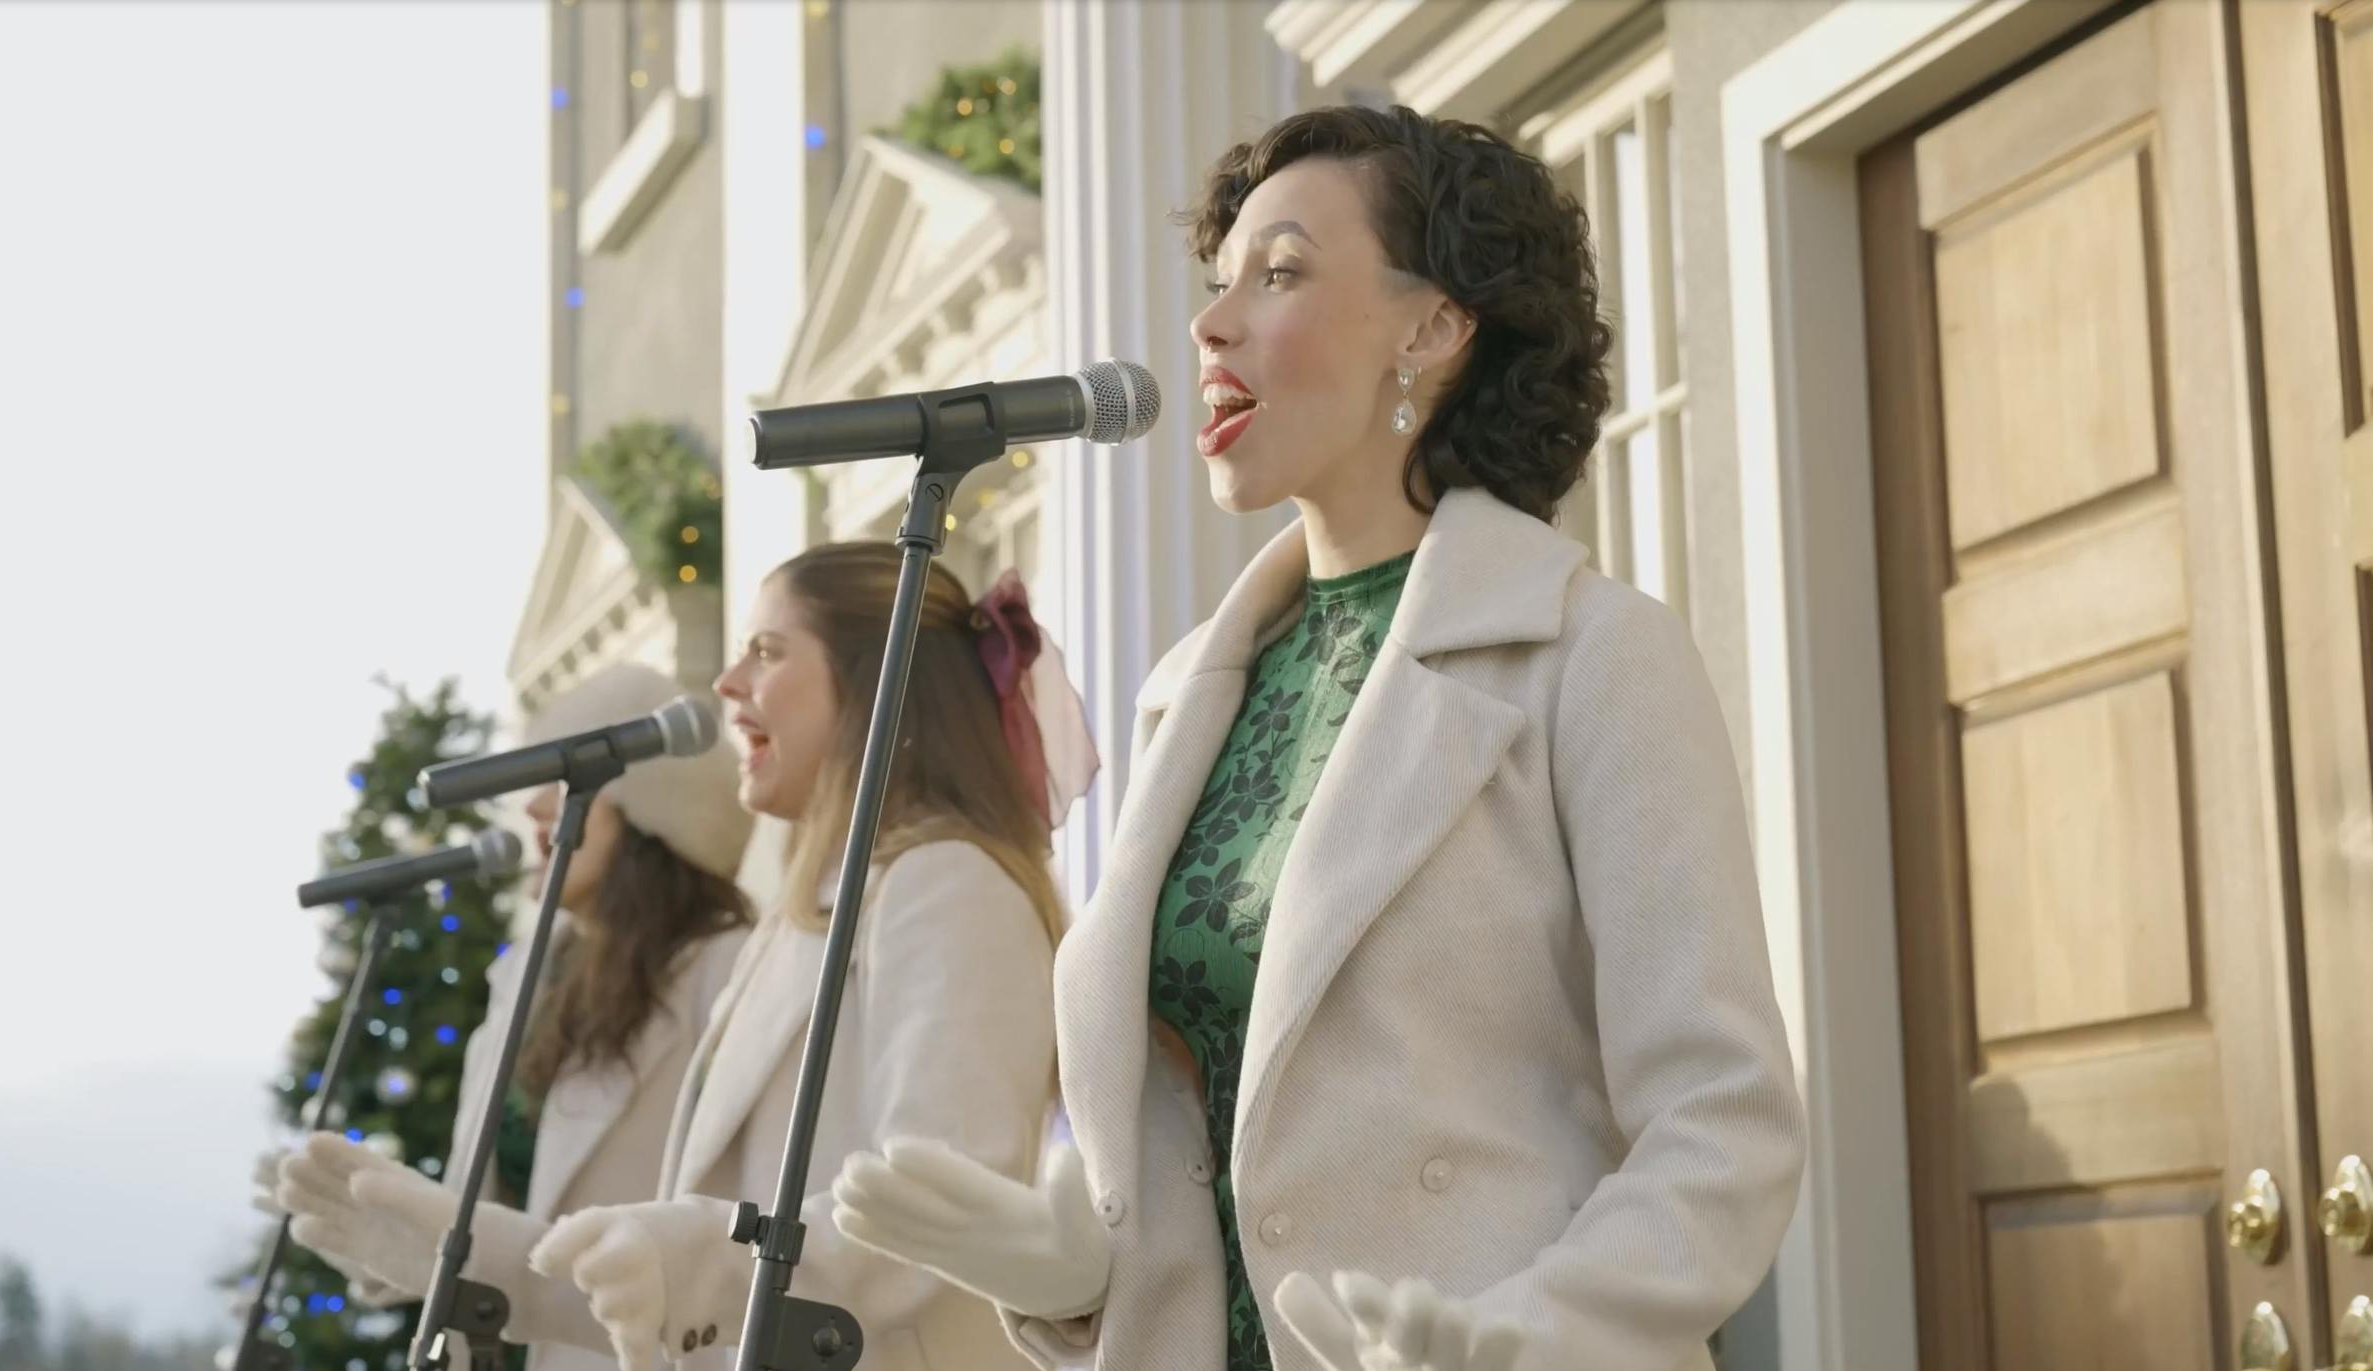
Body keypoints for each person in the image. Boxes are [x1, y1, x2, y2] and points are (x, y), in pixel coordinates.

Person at [828, 103, 1808, 1371]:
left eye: (1279, 272)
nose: (1211, 323)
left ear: (1435, 328)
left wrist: (1520, 1340)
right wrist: (1078, 1279)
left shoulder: (1595, 654)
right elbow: (1213, 1139)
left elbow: (1721, 1125)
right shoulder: (1187, 692)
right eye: (1216, 280)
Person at [283, 543, 1083, 1371]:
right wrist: (468, 1251)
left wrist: (688, 1255)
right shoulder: (800, 921)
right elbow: (680, 1298)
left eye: (767, 652)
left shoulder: (945, 882)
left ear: (872, 680)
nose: (729, 682)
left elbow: (941, 1215)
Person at [260, 662, 755, 1371]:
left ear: (651, 817)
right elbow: (482, 1209)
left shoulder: (725, 971)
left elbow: (724, 1229)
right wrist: (383, 1234)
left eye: (567, 783)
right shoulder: (524, 974)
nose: (533, 810)